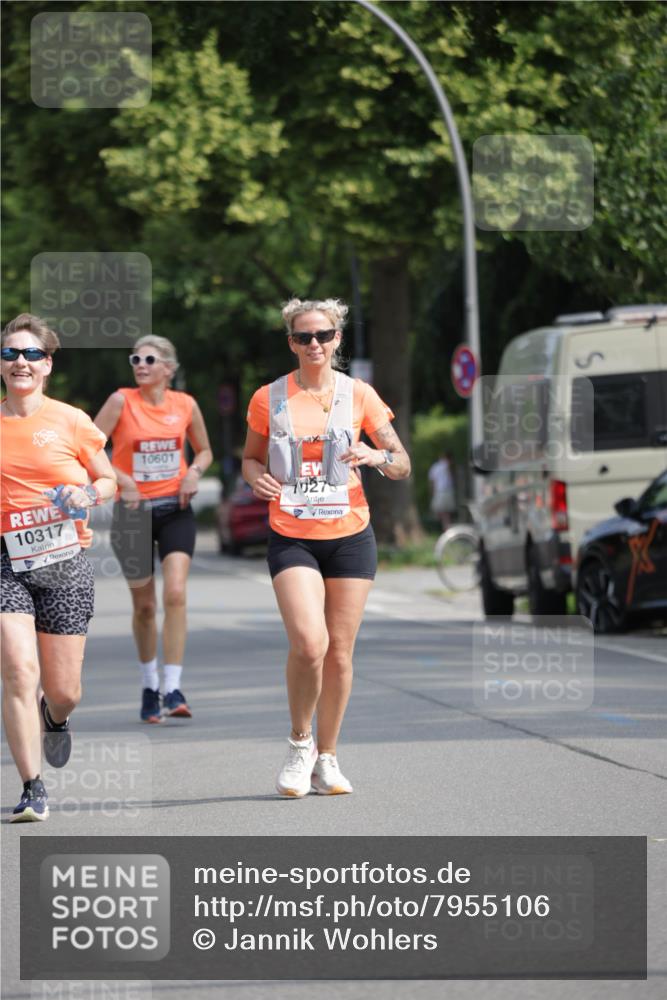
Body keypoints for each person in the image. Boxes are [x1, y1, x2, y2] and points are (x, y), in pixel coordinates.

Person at [242, 297, 410, 797]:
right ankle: (299, 744)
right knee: (309, 643)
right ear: (290, 342)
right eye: (302, 337)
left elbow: (401, 463)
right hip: (293, 533)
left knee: (339, 653)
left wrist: (375, 454)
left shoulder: (360, 395)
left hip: (350, 534)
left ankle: (328, 757)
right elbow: (251, 460)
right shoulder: (268, 398)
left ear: (337, 339)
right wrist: (257, 481)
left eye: (323, 336)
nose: (313, 345)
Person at [1, 313, 116, 822]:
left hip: (64, 560)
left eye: (30, 355)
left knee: (65, 688)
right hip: (6, 559)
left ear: (47, 364)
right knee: (19, 669)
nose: (19, 362)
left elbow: (110, 481)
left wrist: (86, 493)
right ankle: (32, 786)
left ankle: (55, 715)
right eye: (10, 354)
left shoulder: (71, 420)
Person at [94, 335, 212, 723]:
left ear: (168, 369)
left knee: (175, 593)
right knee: (145, 606)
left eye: (149, 359)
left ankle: (173, 686)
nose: (140, 365)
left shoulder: (186, 404)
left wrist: (194, 472)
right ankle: (149, 686)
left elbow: (205, 450)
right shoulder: (120, 401)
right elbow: (88, 448)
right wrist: (122, 479)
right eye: (135, 359)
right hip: (132, 513)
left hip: (175, 509)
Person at [428, 450, 456, 531]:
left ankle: (446, 528)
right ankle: (446, 527)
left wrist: (432, 492)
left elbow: (432, 481)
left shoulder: (435, 467)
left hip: (440, 491)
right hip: (446, 490)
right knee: (445, 513)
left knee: (442, 512)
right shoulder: (446, 465)